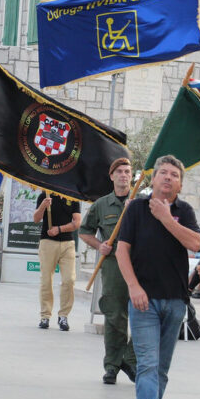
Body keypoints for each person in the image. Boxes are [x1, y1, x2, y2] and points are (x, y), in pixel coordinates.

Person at [115, 155, 200, 399]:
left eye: (174, 175)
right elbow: (121, 250)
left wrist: (166, 218)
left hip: (175, 301)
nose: (167, 177)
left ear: (179, 184)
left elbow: (194, 243)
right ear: (152, 179)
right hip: (144, 301)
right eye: (162, 172)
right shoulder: (136, 209)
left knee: (160, 370)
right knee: (148, 364)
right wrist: (133, 287)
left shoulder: (184, 211)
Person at [79, 157, 137, 385]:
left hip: (140, 265)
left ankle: (129, 359)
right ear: (112, 176)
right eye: (119, 171)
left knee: (147, 315)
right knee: (114, 316)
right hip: (114, 267)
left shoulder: (141, 202)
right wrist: (99, 245)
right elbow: (85, 231)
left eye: (128, 171)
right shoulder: (102, 205)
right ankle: (112, 365)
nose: (124, 175)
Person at [33, 191, 81, 331]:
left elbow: (77, 222)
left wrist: (59, 229)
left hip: (68, 243)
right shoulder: (44, 195)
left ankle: (63, 316)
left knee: (69, 279)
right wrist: (43, 206)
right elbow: (36, 219)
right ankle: (45, 316)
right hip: (47, 242)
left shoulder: (72, 197)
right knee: (46, 280)